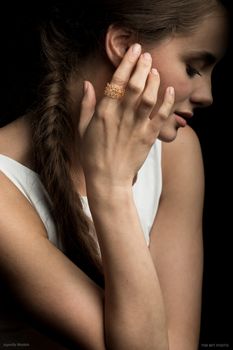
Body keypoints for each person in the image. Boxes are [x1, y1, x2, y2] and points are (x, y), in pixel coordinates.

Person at [0, 0, 229, 349]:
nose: (207, 95)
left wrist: (111, 182)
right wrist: (110, 186)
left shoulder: (176, 154)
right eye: (194, 68)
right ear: (123, 45)